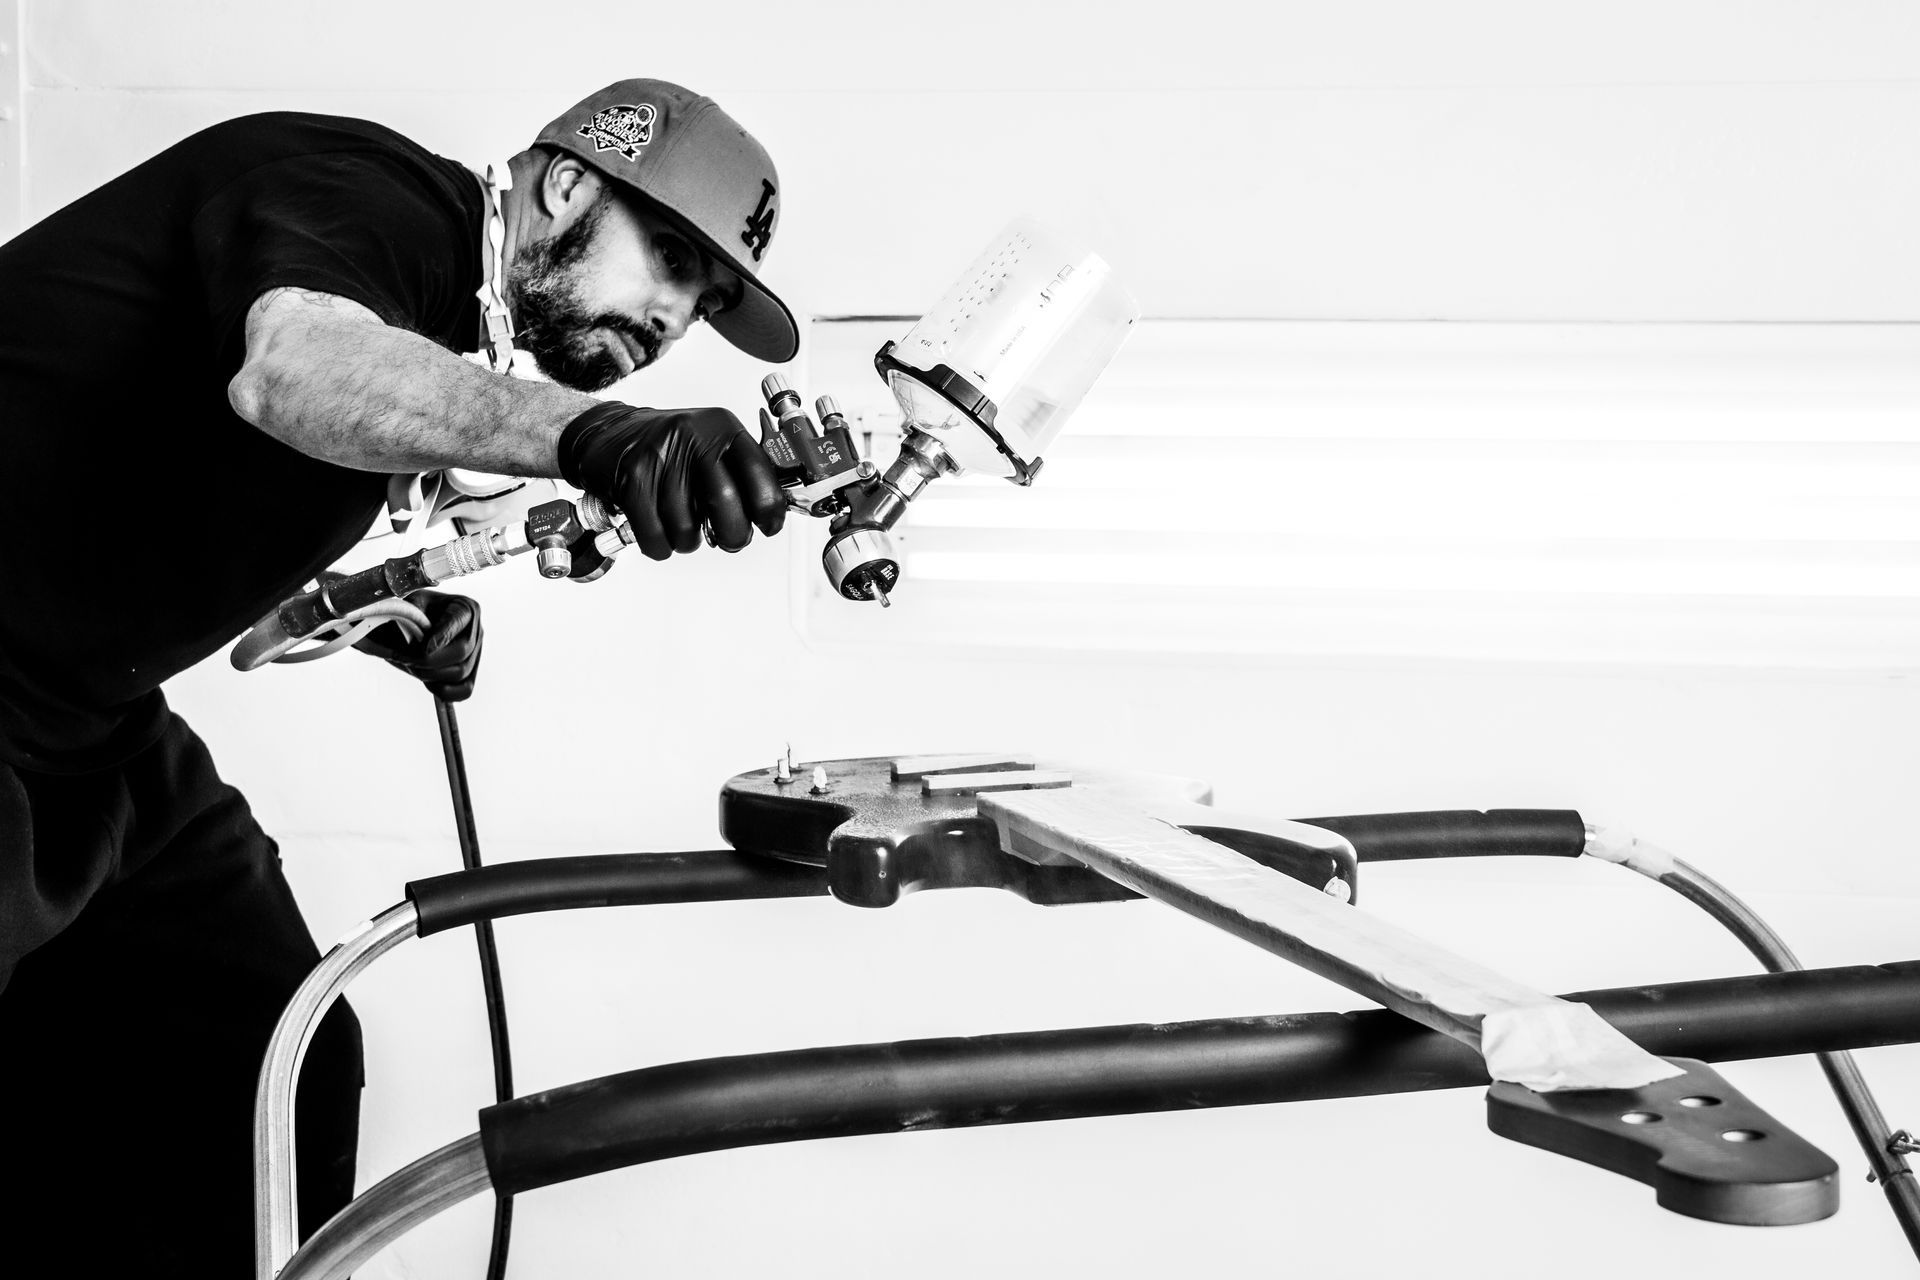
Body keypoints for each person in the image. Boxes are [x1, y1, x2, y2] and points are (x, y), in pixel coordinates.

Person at [0, 78, 792, 1273]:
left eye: (706, 301)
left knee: (265, 1049)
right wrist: (591, 435)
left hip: (75, 711)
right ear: (568, 183)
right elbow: (293, 372)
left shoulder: (436, 336)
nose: (674, 316)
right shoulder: (368, 195)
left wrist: (374, 608)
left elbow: (184, 491)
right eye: (670, 258)